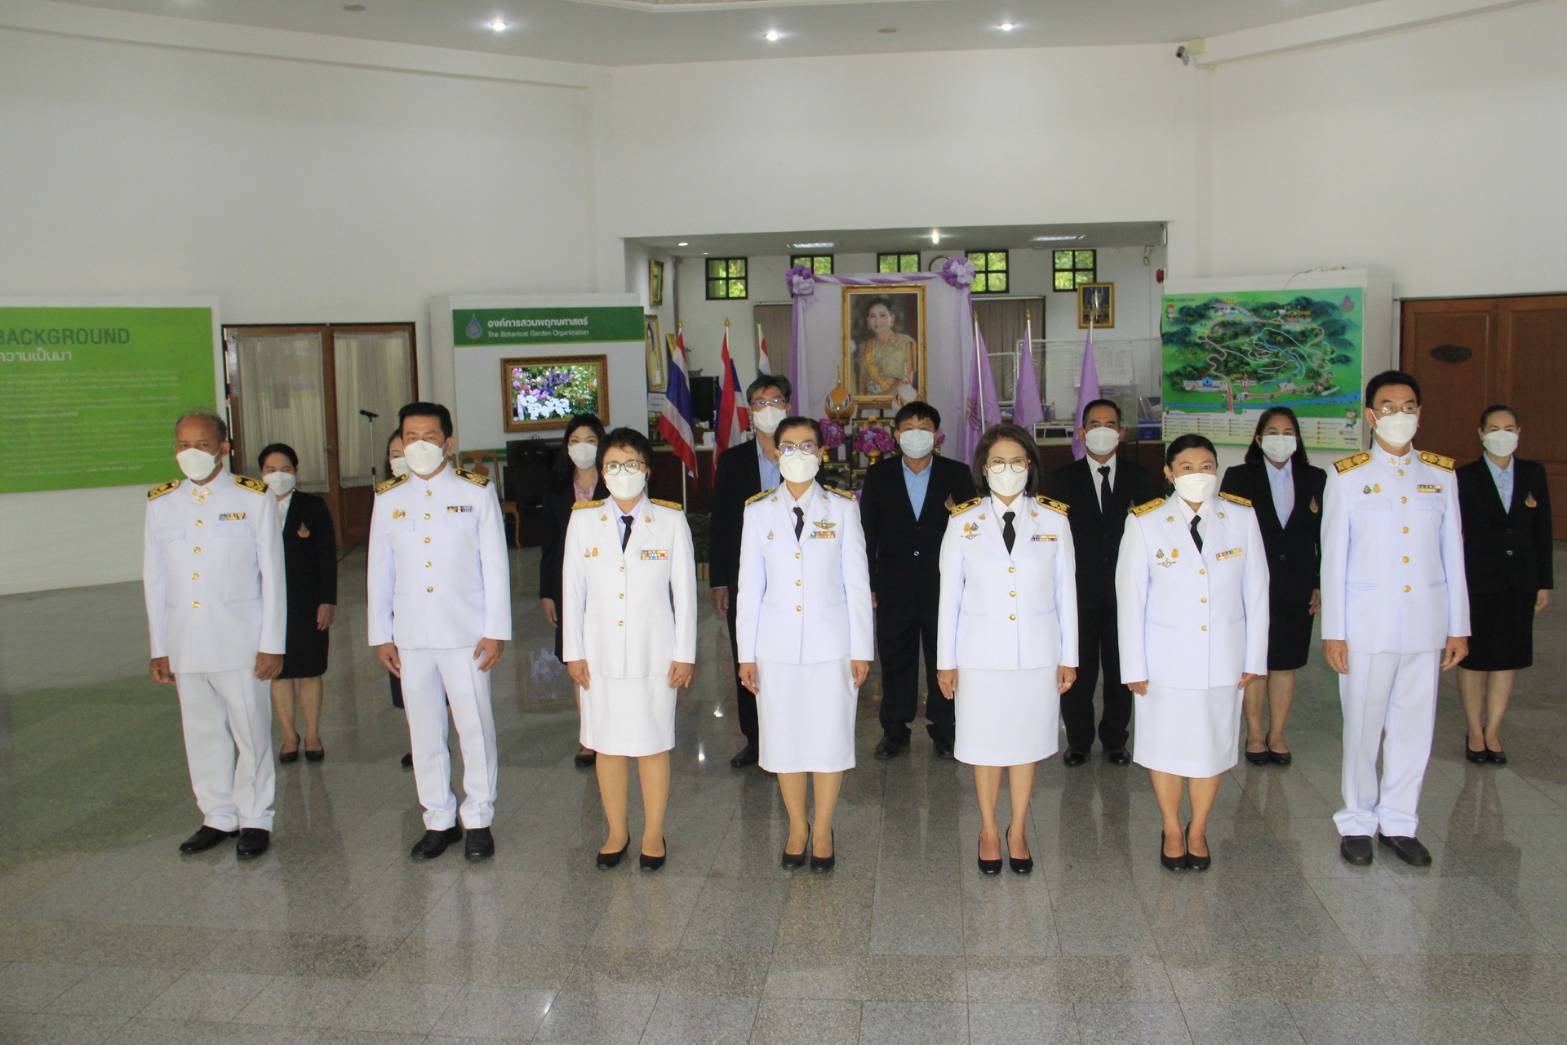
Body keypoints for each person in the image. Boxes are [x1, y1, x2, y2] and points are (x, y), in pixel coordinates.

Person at [1322, 370, 1468, 868]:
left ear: (1420, 414)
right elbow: (1334, 559)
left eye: (1408, 406)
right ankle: (1357, 820)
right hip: (1367, 626)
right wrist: (1335, 632)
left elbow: (1453, 556)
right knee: (1363, 729)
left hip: (1425, 623)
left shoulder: (1441, 475)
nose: (1398, 414)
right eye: (1387, 406)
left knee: (1414, 728)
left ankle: (1401, 822)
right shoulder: (1348, 475)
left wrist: (1458, 626)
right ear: (1370, 415)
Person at [1118, 434, 1268, 870]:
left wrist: (1254, 658)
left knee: (1211, 747)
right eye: (1187, 467)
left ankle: (1198, 828)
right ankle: (1170, 826)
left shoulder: (1241, 517)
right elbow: (1131, 598)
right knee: (1164, 747)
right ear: (1169, 473)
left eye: (1206, 466)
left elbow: (1258, 592)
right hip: (1163, 662)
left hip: (1223, 657)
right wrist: (1133, 665)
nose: (1198, 475)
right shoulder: (1144, 522)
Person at [369, 401, 511, 862]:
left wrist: (496, 630)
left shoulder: (476, 491)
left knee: (474, 727)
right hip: (411, 636)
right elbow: (379, 570)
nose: (419, 445)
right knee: (424, 731)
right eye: (410, 437)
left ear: (448, 443)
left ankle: (479, 817)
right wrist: (381, 634)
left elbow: (495, 565)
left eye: (429, 437)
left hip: (466, 632)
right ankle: (438, 819)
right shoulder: (388, 498)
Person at [143, 410, 285, 859]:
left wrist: (272, 643)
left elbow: (273, 576)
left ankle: (255, 817)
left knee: (251, 733)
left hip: (240, 640)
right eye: (183, 445)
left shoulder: (253, 497)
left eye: (202, 445)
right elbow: (155, 580)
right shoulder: (161, 503)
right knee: (201, 732)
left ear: (223, 448)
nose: (192, 453)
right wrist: (160, 647)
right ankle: (218, 814)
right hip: (186, 641)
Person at [937, 424, 1077, 876]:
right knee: (985, 746)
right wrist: (945, 662)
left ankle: (1017, 829)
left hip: (1037, 655)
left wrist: (1069, 657)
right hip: (979, 658)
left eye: (1017, 461)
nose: (1007, 470)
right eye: (998, 462)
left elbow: (1066, 593)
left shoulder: (1053, 520)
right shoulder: (962, 521)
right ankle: (988, 829)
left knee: (1025, 744)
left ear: (1030, 466)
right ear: (983, 468)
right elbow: (949, 598)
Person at [735, 416, 873, 872]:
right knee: (784, 741)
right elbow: (749, 589)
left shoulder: (842, 509)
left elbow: (857, 584)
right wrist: (746, 654)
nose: (797, 454)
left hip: (832, 646)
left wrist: (861, 649)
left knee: (830, 740)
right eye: (789, 446)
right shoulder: (758, 512)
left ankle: (824, 827)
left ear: (821, 452)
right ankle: (797, 826)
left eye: (807, 445)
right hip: (774, 649)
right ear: (775, 453)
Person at [562, 428, 697, 871]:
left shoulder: (670, 521)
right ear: (602, 472)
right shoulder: (583, 521)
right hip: (598, 656)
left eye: (632, 464)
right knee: (607, 747)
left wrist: (684, 653)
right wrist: (573, 651)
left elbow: (685, 594)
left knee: (653, 745)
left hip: (654, 655)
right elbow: (572, 591)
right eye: (614, 465)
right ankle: (616, 831)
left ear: (647, 470)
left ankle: (653, 832)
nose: (623, 473)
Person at [858, 401, 976, 760]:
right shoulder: (879, 476)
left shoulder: (956, 474)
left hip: (943, 586)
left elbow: (973, 532)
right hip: (894, 586)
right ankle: (895, 729)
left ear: (936, 435)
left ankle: (945, 728)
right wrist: (870, 583)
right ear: (896, 436)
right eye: (909, 429)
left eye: (924, 429)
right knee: (896, 658)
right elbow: (868, 535)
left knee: (944, 656)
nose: (916, 435)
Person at [1048, 398, 1159, 767]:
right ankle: (1078, 740)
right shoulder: (1061, 480)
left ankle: (1115, 739)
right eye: (1094, 424)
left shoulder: (1142, 478)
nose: (1102, 431)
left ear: (1121, 432)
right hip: (1077, 593)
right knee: (1077, 668)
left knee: (1120, 667)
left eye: (1110, 424)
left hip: (1127, 595)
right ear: (1081, 433)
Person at [1219, 407, 1326, 766]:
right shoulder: (1238, 477)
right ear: (1259, 438)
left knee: (1285, 662)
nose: (1281, 439)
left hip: (1297, 584)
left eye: (1288, 432)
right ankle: (1254, 733)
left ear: (1297, 439)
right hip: (1251, 584)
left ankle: (1277, 733)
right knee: (1256, 661)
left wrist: (1318, 583)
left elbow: (1323, 537)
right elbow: (1226, 534)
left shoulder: (1315, 478)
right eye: (1273, 432)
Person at [1456, 404, 1552, 764]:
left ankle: (1493, 729)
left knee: (1508, 658)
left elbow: (1542, 531)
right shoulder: (1464, 477)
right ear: (1481, 434)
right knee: (1475, 659)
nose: (1502, 435)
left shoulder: (1533, 473)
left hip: (1520, 581)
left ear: (1519, 432)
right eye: (1494, 428)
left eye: (1509, 428)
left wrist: (1544, 582)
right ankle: (1474, 730)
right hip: (1477, 581)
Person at [710, 374, 790, 768]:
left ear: (787, 407)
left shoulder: (803, 455)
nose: (768, 409)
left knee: (790, 656)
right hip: (745, 577)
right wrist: (719, 580)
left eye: (775, 402)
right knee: (748, 654)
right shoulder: (732, 461)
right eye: (760, 403)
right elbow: (721, 522)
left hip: (792, 578)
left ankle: (789, 738)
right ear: (749, 412)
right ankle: (755, 740)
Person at [257, 443, 337, 764]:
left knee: (309, 670)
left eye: (285, 469)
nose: (278, 475)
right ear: (260, 473)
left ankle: (313, 733)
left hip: (307, 602)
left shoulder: (312, 506)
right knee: (279, 673)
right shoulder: (252, 505)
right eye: (271, 470)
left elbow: (326, 556)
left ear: (296, 472)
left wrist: (327, 600)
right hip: (265, 605)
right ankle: (289, 735)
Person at [538, 414, 608, 769]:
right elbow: (549, 546)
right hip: (569, 586)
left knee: (608, 656)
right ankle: (588, 738)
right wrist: (547, 593)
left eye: (590, 441)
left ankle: (613, 729)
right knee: (579, 659)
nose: (583, 448)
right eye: (575, 441)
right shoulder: (555, 489)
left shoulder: (616, 482)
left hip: (609, 585)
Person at [854, 297, 917, 400]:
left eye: (882, 315)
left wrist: (884, 399)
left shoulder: (905, 343)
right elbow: (862, 382)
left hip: (898, 401)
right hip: (870, 403)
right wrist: (863, 403)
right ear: (868, 321)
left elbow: (907, 379)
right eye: (872, 316)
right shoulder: (863, 347)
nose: (877, 321)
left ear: (892, 318)